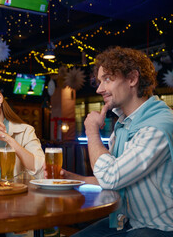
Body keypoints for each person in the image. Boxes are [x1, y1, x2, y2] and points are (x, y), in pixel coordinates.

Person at [56, 46, 173, 236]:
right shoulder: (125, 124)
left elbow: (111, 178)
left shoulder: (157, 127)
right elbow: (115, 178)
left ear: (133, 79)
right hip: (129, 221)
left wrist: (91, 130)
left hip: (160, 229)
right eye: (99, 81)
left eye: (107, 79)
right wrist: (75, 179)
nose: (99, 89)